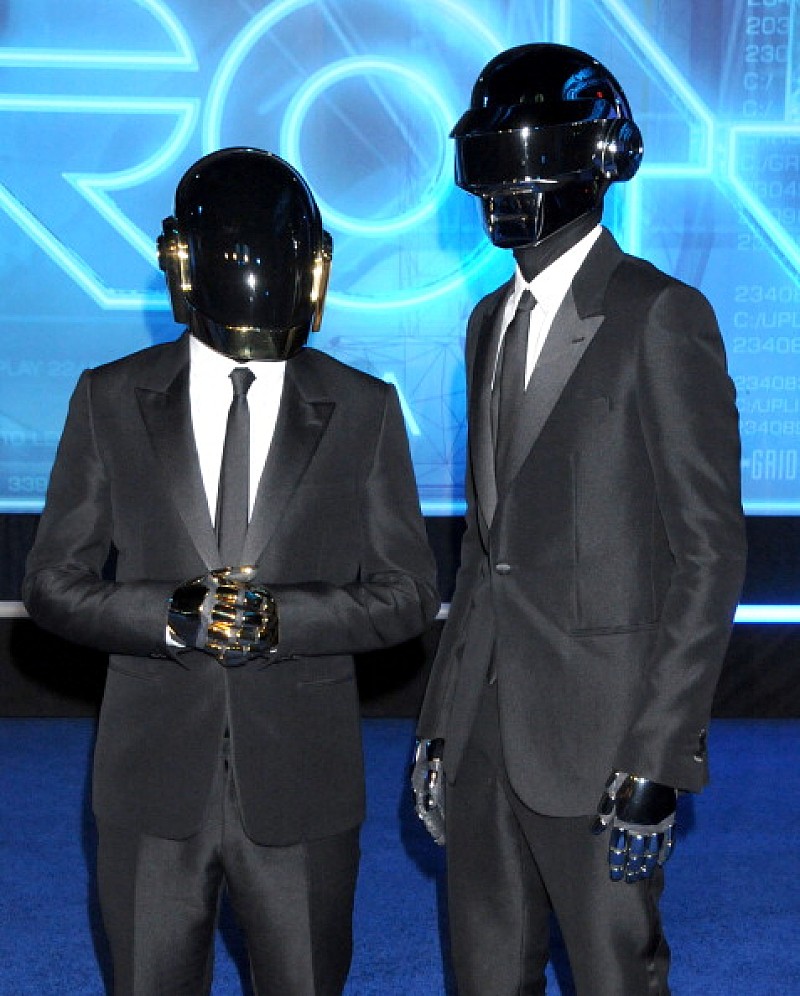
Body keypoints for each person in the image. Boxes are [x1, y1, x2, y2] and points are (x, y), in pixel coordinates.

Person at [23, 147, 439, 996]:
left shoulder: (364, 407)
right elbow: (52, 585)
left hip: (304, 786)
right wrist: (172, 615)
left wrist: (283, 619)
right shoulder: (109, 398)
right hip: (150, 787)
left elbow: (409, 595)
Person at [412, 43, 746, 995]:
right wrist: (442, 720)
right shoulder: (487, 322)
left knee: (614, 979)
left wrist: (661, 751)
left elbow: (709, 554)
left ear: (597, 159)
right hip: (485, 735)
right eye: (491, 161)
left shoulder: (661, 315)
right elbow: (487, 550)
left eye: (527, 157)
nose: (504, 187)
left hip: (603, 744)